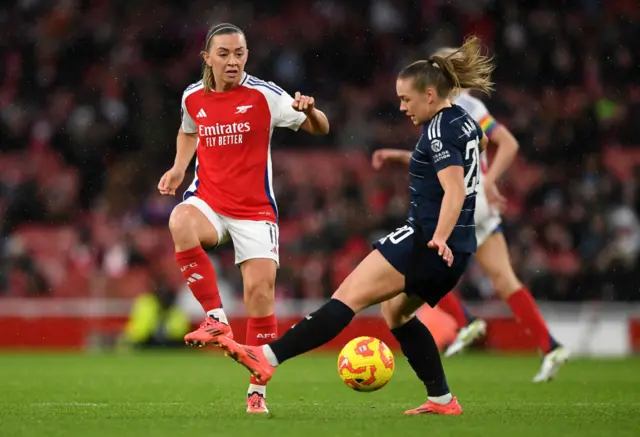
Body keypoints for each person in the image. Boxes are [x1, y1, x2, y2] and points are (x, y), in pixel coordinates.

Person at [209, 36, 493, 416]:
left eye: (406, 99)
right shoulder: (464, 121)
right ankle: (442, 399)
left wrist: (438, 235)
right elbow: (481, 146)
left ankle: (267, 357)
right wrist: (412, 159)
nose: (402, 106)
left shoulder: (439, 130)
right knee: (397, 314)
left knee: (346, 298)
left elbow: (454, 189)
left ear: (429, 94)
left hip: (427, 241)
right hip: (458, 250)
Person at [156, 23, 329, 414]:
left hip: (254, 211)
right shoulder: (192, 97)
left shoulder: (265, 95)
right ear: (207, 58)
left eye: (239, 53)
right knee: (180, 220)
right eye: (224, 54)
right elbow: (188, 130)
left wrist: (311, 111)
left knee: (259, 296)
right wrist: (179, 167)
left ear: (246, 55)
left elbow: (322, 128)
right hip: (209, 201)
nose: (232, 61)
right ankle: (216, 319)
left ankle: (256, 392)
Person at [370, 48, 570, 383]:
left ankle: (464, 319)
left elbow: (506, 143)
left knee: (418, 265)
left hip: (462, 200)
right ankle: (549, 345)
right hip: (477, 203)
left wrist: (489, 181)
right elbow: (441, 160)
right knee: (505, 280)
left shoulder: (462, 106)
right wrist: (399, 156)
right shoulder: (464, 107)